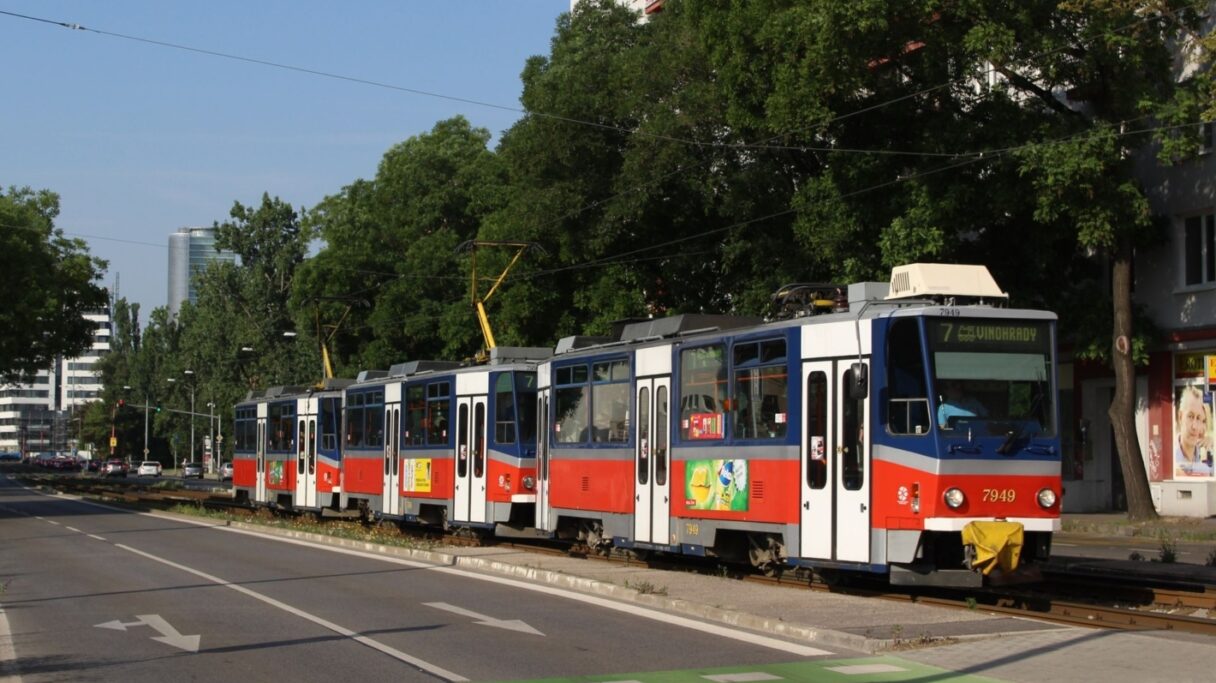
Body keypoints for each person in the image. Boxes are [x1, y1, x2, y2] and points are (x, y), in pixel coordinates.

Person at [1174, 386, 1214, 477]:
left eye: (1199, 418)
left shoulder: (1205, 453)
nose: (1194, 426)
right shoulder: (1171, 456)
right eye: (1190, 416)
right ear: (1180, 417)